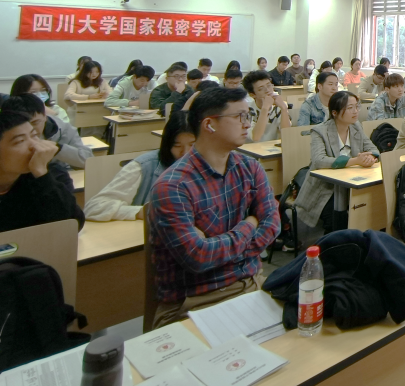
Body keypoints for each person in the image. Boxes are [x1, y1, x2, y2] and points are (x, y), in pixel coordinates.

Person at [148, 87, 281, 328]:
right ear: (209, 124)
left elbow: (272, 226)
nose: (247, 123)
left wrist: (216, 247)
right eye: (239, 116)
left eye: (248, 115)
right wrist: (250, 223)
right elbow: (198, 257)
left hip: (249, 285)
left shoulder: (250, 167)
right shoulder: (173, 186)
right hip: (193, 303)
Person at [83, 112, 195, 221]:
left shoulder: (203, 166)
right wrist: (142, 212)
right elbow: (94, 207)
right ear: (167, 145)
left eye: (192, 145)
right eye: (177, 146)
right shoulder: (144, 167)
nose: (185, 153)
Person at [293, 91, 379, 233]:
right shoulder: (320, 131)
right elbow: (319, 160)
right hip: (325, 188)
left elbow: (373, 149)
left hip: (351, 183)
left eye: (356, 106)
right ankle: (336, 242)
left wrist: (370, 157)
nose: (355, 111)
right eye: (350, 108)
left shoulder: (356, 126)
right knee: (339, 219)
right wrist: (355, 161)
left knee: (369, 208)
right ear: (334, 112)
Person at [0, 109, 83, 233]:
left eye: (34, 135)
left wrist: (42, 175)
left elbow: (73, 224)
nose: (34, 145)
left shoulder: (48, 175)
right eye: (20, 141)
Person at [3, 94, 92, 169]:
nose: (31, 129)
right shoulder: (4, 133)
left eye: (35, 123)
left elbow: (88, 160)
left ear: (45, 116)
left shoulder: (64, 129)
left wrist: (57, 148)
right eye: (24, 124)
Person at [243, 70, 290, 142]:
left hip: (272, 147)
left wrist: (284, 108)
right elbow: (256, 137)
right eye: (261, 89)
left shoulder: (279, 106)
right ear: (252, 95)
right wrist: (265, 108)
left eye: (269, 85)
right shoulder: (247, 110)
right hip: (251, 147)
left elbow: (286, 134)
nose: (268, 90)